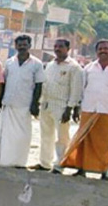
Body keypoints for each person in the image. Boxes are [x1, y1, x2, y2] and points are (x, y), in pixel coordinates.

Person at [60, 40, 108, 180]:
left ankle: (104, 172)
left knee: (106, 144)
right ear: (96, 51)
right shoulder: (89, 68)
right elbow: (81, 90)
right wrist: (76, 109)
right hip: (89, 109)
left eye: (106, 48)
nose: (103, 51)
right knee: (84, 141)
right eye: (100, 49)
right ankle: (81, 169)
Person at [0, 35, 44, 167]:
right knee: (5, 135)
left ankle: (19, 162)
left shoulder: (36, 64)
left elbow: (38, 85)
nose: (22, 47)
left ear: (29, 46)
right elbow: (3, 82)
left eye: (24, 45)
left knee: (22, 136)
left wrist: (35, 104)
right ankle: (3, 161)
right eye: (19, 44)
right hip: (8, 103)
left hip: (24, 105)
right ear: (15, 46)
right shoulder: (10, 62)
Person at [34, 39, 83, 172]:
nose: (57, 49)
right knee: (46, 135)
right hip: (47, 103)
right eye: (55, 46)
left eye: (60, 46)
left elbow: (76, 90)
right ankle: (45, 163)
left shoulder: (74, 67)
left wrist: (70, 108)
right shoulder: (50, 64)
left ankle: (60, 165)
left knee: (62, 137)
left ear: (68, 48)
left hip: (62, 106)